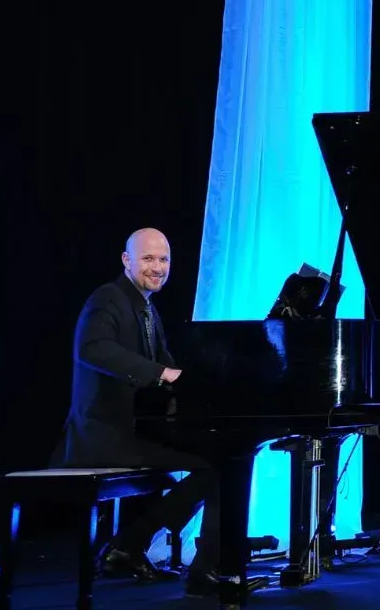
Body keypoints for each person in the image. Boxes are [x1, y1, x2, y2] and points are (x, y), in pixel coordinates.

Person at [51, 228, 221, 597]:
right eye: (148, 258)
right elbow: (93, 349)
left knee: (219, 462)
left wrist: (200, 383)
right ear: (126, 260)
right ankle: (142, 547)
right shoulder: (107, 299)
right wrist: (163, 374)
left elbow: (166, 364)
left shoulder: (146, 307)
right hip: (102, 435)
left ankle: (133, 545)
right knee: (215, 468)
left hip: (132, 432)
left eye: (163, 260)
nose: (157, 267)